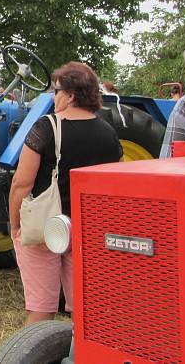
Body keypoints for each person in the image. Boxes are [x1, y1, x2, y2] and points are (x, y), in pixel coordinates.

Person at [9, 62, 123, 326]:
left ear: (71, 95)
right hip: (88, 230)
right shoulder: (108, 133)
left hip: (46, 228)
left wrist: (15, 224)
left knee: (41, 311)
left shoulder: (46, 127)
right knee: (85, 313)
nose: (54, 96)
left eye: (56, 90)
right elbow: (115, 185)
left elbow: (21, 184)